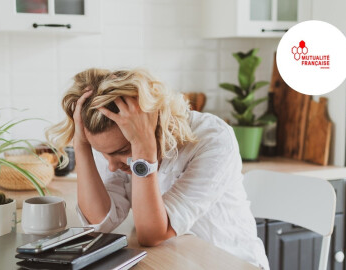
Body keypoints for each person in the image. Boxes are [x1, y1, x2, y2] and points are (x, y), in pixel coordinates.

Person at [47, 68, 269, 269]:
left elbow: (152, 234)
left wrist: (142, 148)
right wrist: (82, 144)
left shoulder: (212, 138)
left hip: (230, 262)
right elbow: (101, 222)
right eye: (104, 153)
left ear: (152, 125)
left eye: (122, 150)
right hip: (175, 260)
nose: (112, 165)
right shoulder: (116, 141)